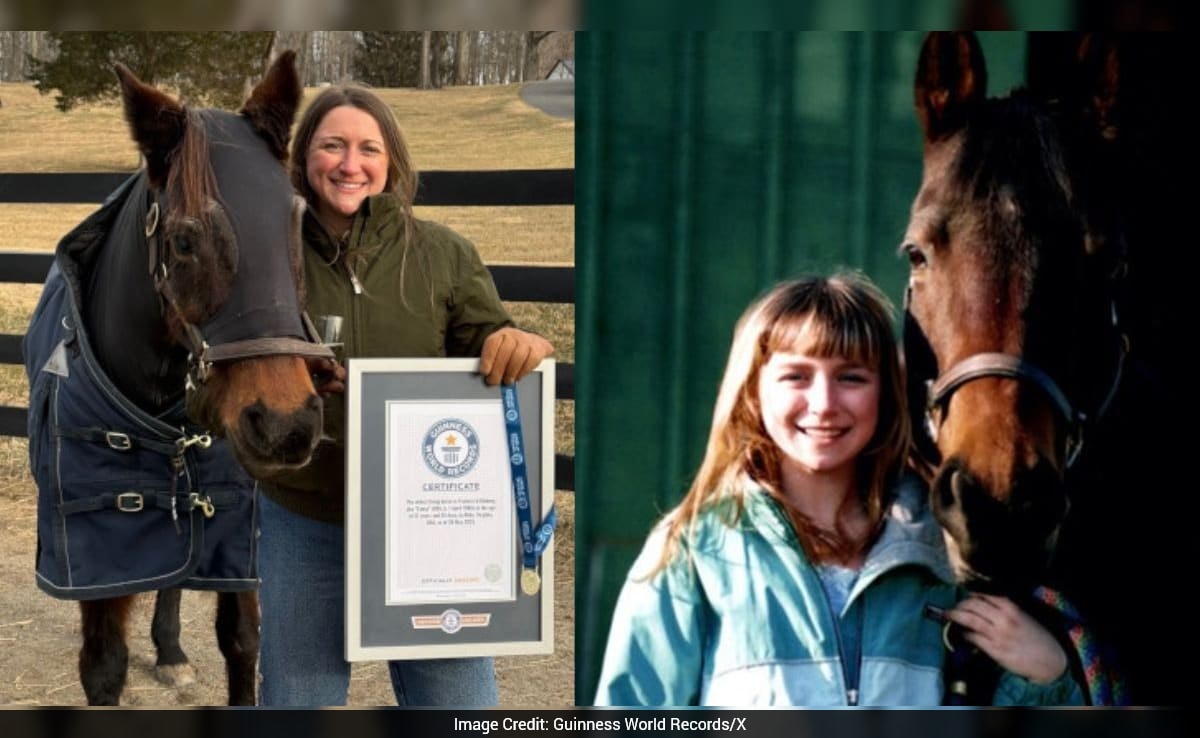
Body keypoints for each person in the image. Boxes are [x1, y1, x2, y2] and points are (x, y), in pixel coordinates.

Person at [592, 273, 1081, 707]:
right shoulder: (692, 553)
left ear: (886, 392)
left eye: (851, 377)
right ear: (753, 391)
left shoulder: (945, 553)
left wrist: (1048, 677)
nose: (824, 404)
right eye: (796, 376)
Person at [256, 84, 553, 706]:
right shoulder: (265, 259)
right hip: (306, 516)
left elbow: (488, 341)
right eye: (332, 145)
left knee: (459, 705)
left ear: (391, 161)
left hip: (430, 526)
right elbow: (217, 381)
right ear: (304, 156)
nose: (350, 164)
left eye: (368, 148)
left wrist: (515, 343)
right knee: (298, 700)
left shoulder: (443, 254)